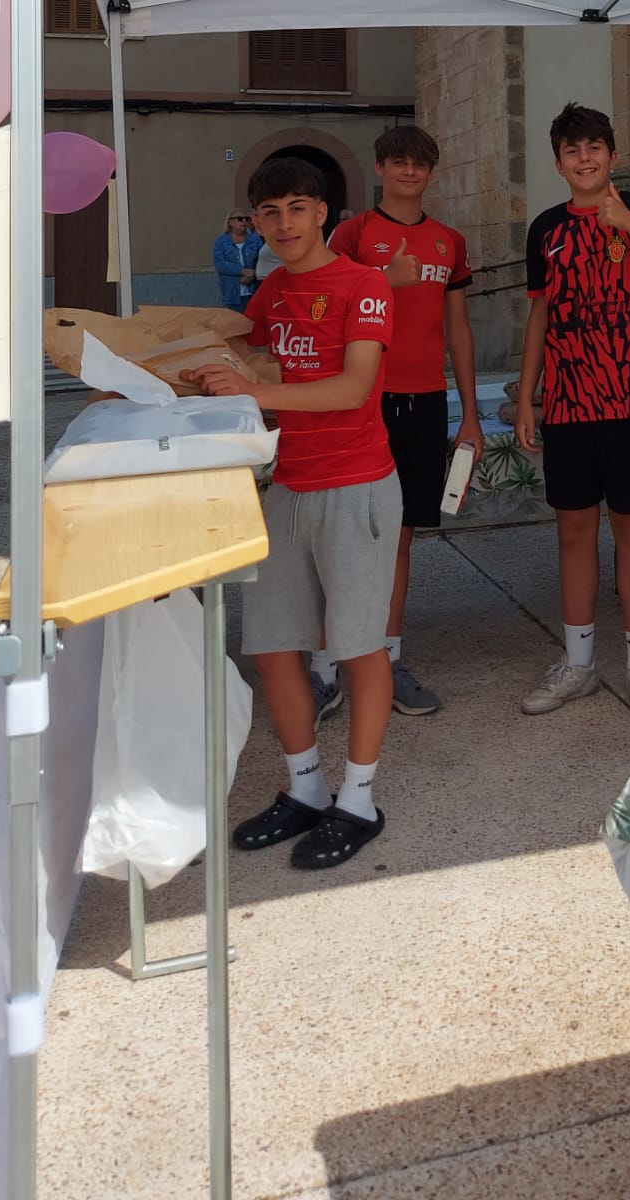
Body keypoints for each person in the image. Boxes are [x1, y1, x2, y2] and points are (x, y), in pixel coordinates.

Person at [193, 156, 400, 871]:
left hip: (356, 485)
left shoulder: (364, 284)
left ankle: (359, 801)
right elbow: (240, 354)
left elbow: (353, 387)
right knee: (273, 645)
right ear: (255, 222)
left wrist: (253, 392)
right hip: (287, 485)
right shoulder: (271, 292)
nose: (283, 223)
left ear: (323, 215)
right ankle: (307, 788)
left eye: (297, 209)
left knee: (358, 648)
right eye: (269, 212)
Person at [515, 102, 630, 722]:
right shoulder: (546, 228)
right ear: (558, 164)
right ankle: (579, 662)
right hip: (568, 403)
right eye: (572, 150)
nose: (584, 158)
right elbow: (539, 315)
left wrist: (629, 224)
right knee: (572, 530)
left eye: (594, 147)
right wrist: (527, 396)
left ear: (613, 156)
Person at [326, 125, 481, 718]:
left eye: (419, 163)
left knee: (400, 535)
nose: (409, 171)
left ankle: (389, 658)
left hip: (425, 400)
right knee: (342, 532)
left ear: (431, 171)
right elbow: (324, 307)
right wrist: (379, 280)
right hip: (362, 399)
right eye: (398, 161)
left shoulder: (449, 242)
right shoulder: (354, 234)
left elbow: (458, 329)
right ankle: (328, 664)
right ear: (380, 168)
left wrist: (470, 414)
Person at [212, 211, 261, 311]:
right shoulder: (220, 242)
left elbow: (262, 261)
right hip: (232, 295)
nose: (244, 221)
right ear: (230, 222)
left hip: (254, 293)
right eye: (240, 219)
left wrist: (253, 274)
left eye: (247, 219)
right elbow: (220, 265)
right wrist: (243, 271)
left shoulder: (255, 240)